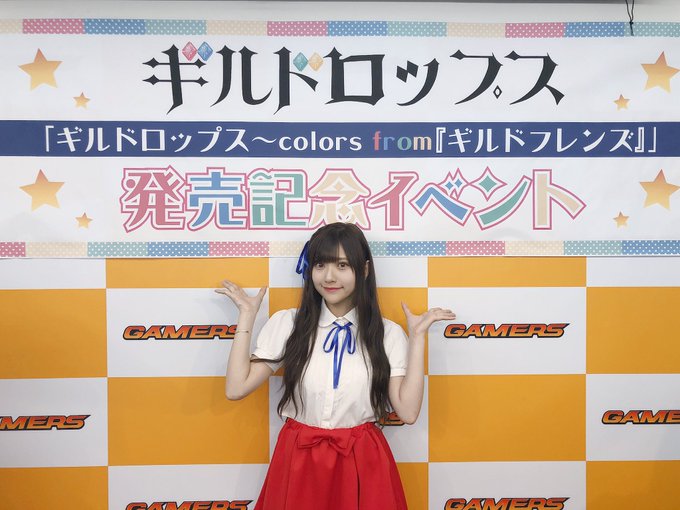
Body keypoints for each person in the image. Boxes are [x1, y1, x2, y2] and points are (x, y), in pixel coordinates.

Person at [216, 222, 455, 510]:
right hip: (299, 458)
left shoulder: (387, 333)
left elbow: (408, 411)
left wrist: (417, 338)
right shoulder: (289, 324)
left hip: (362, 458)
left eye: (342, 265)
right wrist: (247, 315)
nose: (329, 277)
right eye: (320, 265)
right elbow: (236, 388)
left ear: (363, 270)